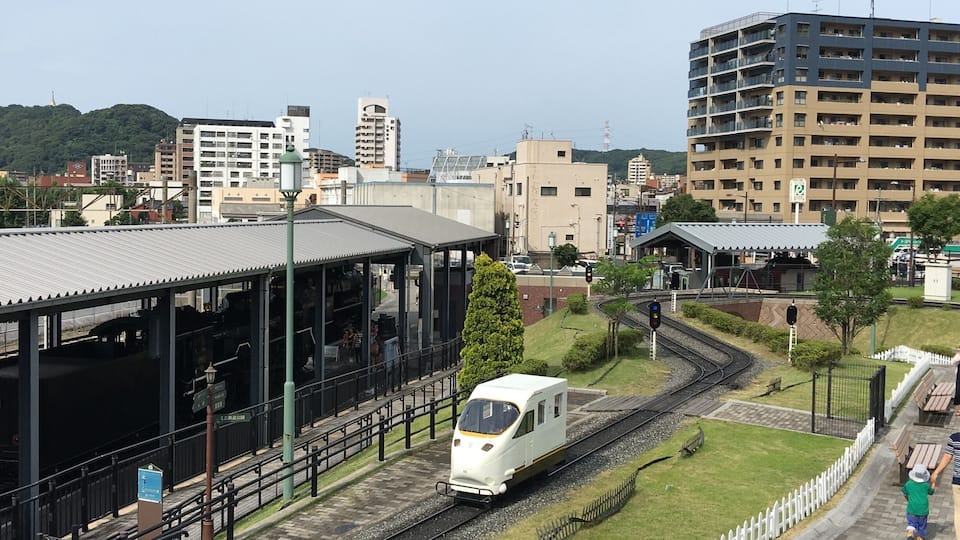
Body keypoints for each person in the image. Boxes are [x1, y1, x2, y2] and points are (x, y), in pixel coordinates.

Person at [931, 432, 960, 540]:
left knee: (958, 511)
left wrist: (936, 472)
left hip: (958, 481)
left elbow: (947, 457)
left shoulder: (955, 438)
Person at [903, 463, 934, 540]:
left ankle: (910, 533)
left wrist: (908, 499)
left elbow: (905, 493)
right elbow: (931, 492)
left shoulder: (908, 484)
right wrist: (933, 483)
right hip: (923, 509)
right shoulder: (926, 485)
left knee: (911, 523)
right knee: (922, 526)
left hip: (912, 508)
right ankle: (920, 537)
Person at [953, 345, 960, 415]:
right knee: (958, 391)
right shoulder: (958, 357)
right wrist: (958, 354)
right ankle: (958, 409)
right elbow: (953, 362)